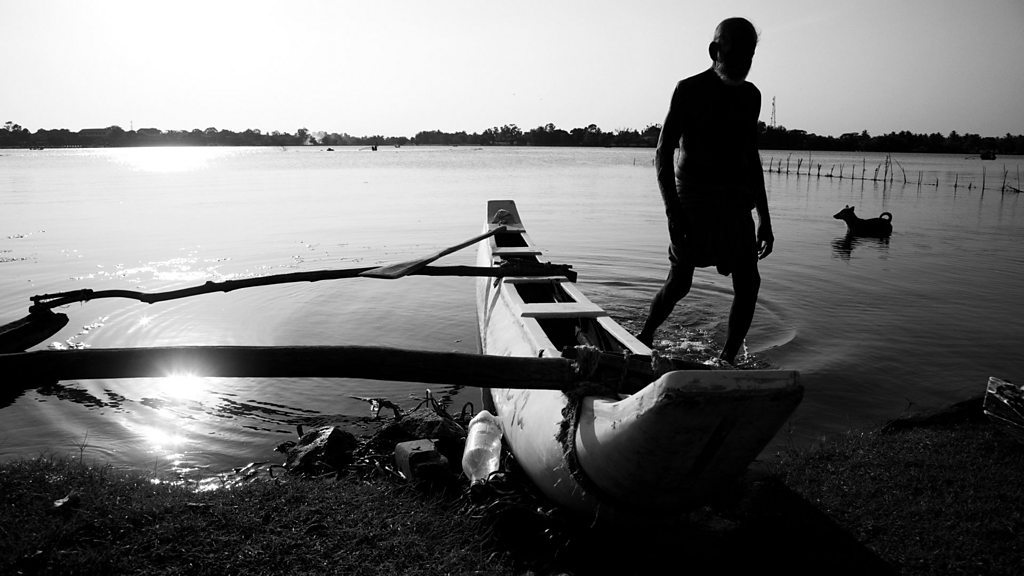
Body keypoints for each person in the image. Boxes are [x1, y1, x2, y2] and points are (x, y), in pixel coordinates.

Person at [636, 17, 774, 364]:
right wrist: (673, 213)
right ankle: (645, 336)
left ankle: (726, 359)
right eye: (737, 53)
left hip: (733, 203)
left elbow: (750, 157)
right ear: (715, 51)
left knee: (749, 282)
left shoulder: (750, 96)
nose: (744, 62)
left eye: (750, 55)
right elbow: (662, 152)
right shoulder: (689, 90)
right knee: (679, 283)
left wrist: (765, 218)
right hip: (692, 199)